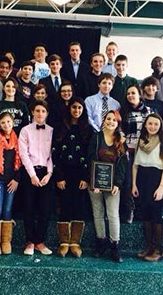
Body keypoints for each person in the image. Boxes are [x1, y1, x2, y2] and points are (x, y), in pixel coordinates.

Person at [53, 97, 92, 258]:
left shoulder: (87, 129)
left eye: (80, 108)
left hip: (80, 174)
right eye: (74, 107)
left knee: (79, 206)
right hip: (64, 173)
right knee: (64, 205)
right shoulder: (61, 127)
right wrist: (59, 176)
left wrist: (86, 177)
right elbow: (54, 151)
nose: (77, 110)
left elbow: (90, 155)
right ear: (70, 109)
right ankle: (64, 242)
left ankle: (75, 242)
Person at [87, 110, 128, 263]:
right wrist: (93, 181)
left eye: (114, 120)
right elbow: (91, 159)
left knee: (112, 215)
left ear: (118, 123)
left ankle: (114, 245)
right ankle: (100, 243)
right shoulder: (96, 138)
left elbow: (123, 165)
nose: (111, 122)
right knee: (97, 213)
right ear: (104, 120)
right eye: (108, 119)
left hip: (113, 186)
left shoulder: (120, 140)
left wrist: (117, 183)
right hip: (95, 184)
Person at [132, 114, 163, 261]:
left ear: (160, 126)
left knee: (156, 215)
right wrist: (134, 184)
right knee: (145, 214)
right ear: (145, 125)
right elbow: (135, 165)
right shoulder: (140, 141)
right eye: (150, 124)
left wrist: (161, 187)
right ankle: (149, 246)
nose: (153, 127)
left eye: (156, 124)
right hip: (142, 179)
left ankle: (159, 250)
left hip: (156, 180)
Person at [19, 100, 54, 256]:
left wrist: (49, 174)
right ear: (33, 112)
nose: (40, 114)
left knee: (45, 209)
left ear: (47, 113)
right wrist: (32, 175)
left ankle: (40, 241)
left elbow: (52, 154)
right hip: (29, 173)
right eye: (37, 110)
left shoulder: (52, 131)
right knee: (28, 207)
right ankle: (30, 241)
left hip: (46, 173)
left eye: (43, 111)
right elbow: (23, 154)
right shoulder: (25, 130)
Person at [0, 112, 21, 255]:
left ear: (13, 123)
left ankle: (6, 240)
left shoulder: (18, 139)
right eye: (3, 123)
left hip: (12, 180)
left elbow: (22, 161)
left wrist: (17, 180)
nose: (6, 125)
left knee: (7, 209)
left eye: (8, 122)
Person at [120, 84, 151, 223]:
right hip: (128, 152)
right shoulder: (123, 112)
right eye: (128, 94)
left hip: (144, 152)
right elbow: (119, 130)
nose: (130, 96)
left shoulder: (148, 111)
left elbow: (153, 130)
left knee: (142, 182)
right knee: (128, 183)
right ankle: (129, 211)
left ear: (139, 95)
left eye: (133, 93)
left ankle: (141, 211)